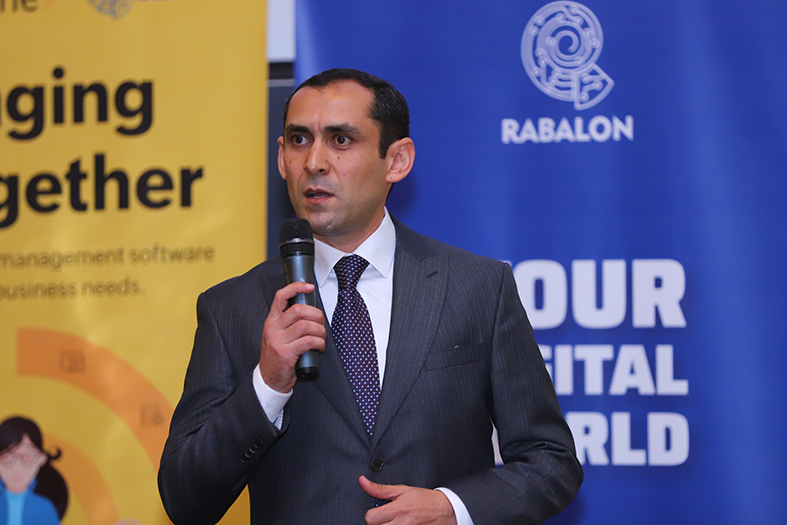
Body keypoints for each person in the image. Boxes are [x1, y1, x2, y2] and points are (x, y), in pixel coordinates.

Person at [158, 68, 582, 524]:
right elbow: (186, 500)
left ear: (397, 160)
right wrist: (267, 385)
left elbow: (551, 460)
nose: (314, 162)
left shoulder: (478, 287)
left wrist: (453, 509)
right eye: (300, 140)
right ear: (281, 157)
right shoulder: (231, 308)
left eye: (340, 140)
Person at [0, 416, 68, 524]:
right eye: (7, 458)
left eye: (27, 457)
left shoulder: (44, 508)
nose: (17, 466)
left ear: (41, 458)